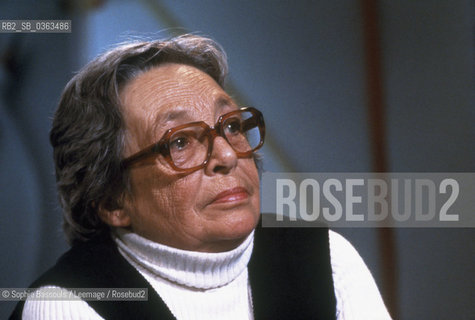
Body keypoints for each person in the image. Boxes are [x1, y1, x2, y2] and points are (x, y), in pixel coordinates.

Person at [11, 34, 391, 319]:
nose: (226, 155)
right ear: (112, 200)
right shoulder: (67, 305)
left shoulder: (324, 257)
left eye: (230, 126)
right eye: (179, 142)